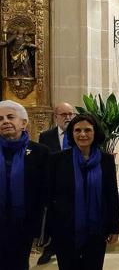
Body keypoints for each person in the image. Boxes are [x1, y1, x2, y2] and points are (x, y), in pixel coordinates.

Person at [48, 113, 119, 270]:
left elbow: (111, 195)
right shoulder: (57, 160)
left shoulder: (106, 160)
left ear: (95, 132)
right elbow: (50, 196)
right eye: (77, 130)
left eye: (87, 130)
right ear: (71, 134)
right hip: (66, 229)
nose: (82, 134)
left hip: (96, 229)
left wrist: (114, 228)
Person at [0, 100, 50, 270]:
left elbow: (45, 192)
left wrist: (42, 229)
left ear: (23, 123)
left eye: (10, 117)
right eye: (0, 119)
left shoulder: (40, 152)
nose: (5, 121)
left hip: (24, 224)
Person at [37, 101, 76, 265]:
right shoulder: (46, 136)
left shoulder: (78, 133)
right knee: (54, 220)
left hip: (75, 184)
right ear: (55, 117)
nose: (68, 118)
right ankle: (49, 248)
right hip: (54, 186)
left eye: (70, 114)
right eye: (64, 114)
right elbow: (42, 161)